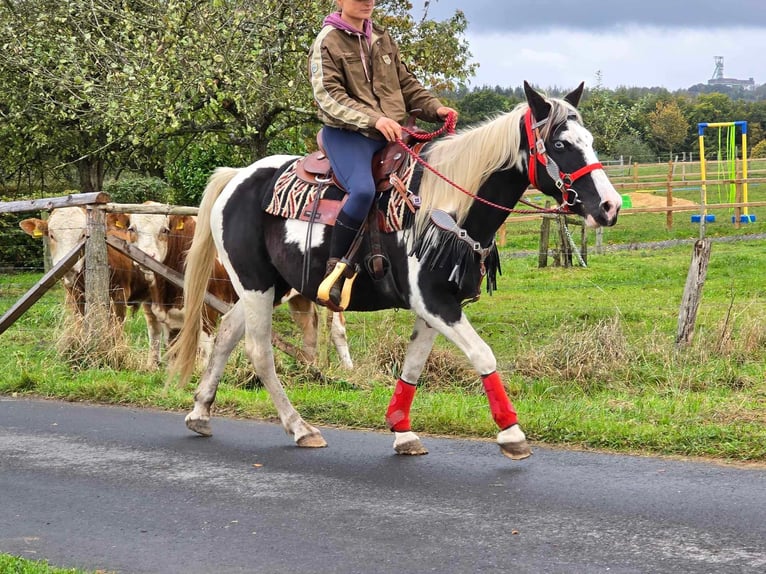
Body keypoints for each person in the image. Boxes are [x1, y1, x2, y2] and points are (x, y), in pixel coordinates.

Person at [309, 0, 457, 309]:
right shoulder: (327, 41)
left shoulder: (382, 37)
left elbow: (406, 84)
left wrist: (435, 108)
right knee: (362, 190)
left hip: (392, 133)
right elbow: (327, 96)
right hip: (349, 134)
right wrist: (374, 119)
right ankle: (335, 269)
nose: (367, 2)